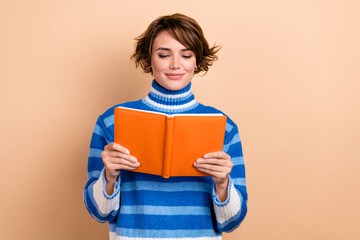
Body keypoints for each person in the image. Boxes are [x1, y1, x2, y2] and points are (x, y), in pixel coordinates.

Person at [84, 13, 247, 240]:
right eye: (163, 54)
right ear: (147, 59)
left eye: (186, 55)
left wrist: (223, 183)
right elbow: (99, 213)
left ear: (197, 61)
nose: (175, 65)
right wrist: (109, 177)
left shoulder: (224, 126)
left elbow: (231, 223)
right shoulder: (111, 121)